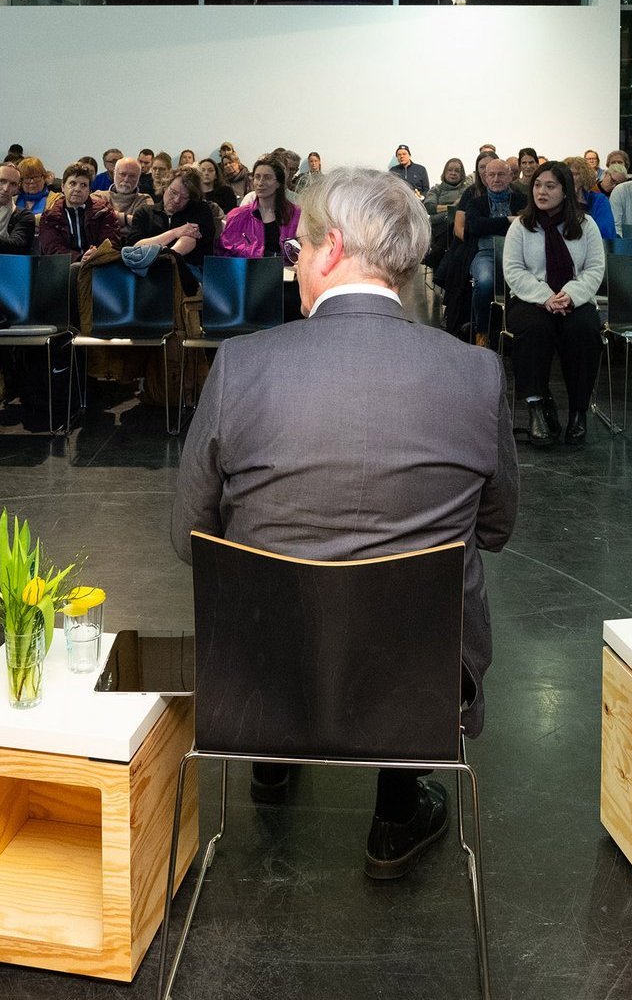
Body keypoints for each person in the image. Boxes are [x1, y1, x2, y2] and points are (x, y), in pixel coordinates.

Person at [172, 168, 516, 880]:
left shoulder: (241, 365)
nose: (293, 262)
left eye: (296, 248)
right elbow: (496, 527)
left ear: (330, 249)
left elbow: (188, 536)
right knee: (434, 575)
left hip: (262, 677)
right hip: (417, 683)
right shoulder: (476, 374)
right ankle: (396, 814)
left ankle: (271, 762)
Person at [502, 162, 607, 446]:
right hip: (530, 298)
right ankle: (537, 409)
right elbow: (514, 270)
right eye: (537, 185)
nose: (541, 192)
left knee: (584, 330)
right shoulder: (521, 226)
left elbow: (594, 268)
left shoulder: (586, 225)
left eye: (550, 186)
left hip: (574, 297)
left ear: (566, 191)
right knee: (534, 329)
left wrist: (570, 294)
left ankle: (578, 411)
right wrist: (545, 296)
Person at [452, 156, 525, 340]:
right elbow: (475, 227)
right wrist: (509, 220)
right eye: (491, 175)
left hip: (518, 254)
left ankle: (520, 332)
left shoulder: (522, 200)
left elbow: (528, 224)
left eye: (501, 174)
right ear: (485, 178)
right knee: (485, 282)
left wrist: (490, 225)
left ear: (510, 177)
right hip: (486, 253)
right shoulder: (476, 203)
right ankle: (481, 331)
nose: (496, 179)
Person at [127, 167, 218, 286]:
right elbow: (136, 247)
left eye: (184, 197)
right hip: (146, 270)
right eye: (173, 192)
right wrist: (175, 233)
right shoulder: (144, 212)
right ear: (165, 186)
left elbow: (190, 240)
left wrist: (164, 258)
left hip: (187, 269)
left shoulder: (200, 210)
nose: (176, 200)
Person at [38, 164, 123, 266]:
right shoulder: (49, 217)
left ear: (89, 190)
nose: (77, 189)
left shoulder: (104, 211)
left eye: (83, 185)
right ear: (62, 187)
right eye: (72, 183)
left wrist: (95, 254)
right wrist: (80, 258)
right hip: (64, 267)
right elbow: (52, 248)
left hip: (98, 265)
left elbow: (111, 242)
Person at [220, 156, 300, 258]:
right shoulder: (237, 216)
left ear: (278, 183)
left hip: (286, 267)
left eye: (267, 177)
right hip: (249, 267)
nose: (260, 183)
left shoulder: (296, 215)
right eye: (257, 177)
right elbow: (226, 252)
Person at [102, 157, 156, 224]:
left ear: (138, 178)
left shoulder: (144, 200)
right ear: (114, 174)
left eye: (132, 176)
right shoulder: (99, 196)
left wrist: (110, 216)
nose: (126, 179)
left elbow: (144, 224)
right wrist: (128, 219)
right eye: (122, 174)